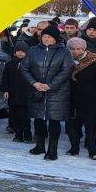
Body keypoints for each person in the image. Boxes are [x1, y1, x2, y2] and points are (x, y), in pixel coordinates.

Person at [21, 25, 74, 160]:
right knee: (39, 119)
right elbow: (24, 68)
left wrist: (50, 86)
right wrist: (34, 83)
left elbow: (66, 70)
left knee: (54, 121)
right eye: (44, 36)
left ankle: (52, 150)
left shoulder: (64, 52)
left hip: (57, 93)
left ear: (55, 38)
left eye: (49, 37)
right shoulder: (33, 51)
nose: (46, 39)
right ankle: (40, 145)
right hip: (37, 91)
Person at [68, 37, 96, 159]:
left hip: (90, 99)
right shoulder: (67, 60)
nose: (75, 51)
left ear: (84, 48)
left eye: (78, 49)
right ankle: (74, 148)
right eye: (72, 49)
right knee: (72, 125)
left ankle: (92, 150)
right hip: (72, 98)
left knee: (91, 126)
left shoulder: (94, 61)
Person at [2, 42, 34, 143]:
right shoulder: (9, 65)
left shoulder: (30, 65)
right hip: (13, 94)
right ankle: (18, 135)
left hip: (25, 95)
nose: (20, 53)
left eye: (22, 51)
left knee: (25, 117)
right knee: (14, 116)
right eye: (18, 51)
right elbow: (5, 78)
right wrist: (5, 90)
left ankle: (27, 135)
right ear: (14, 52)